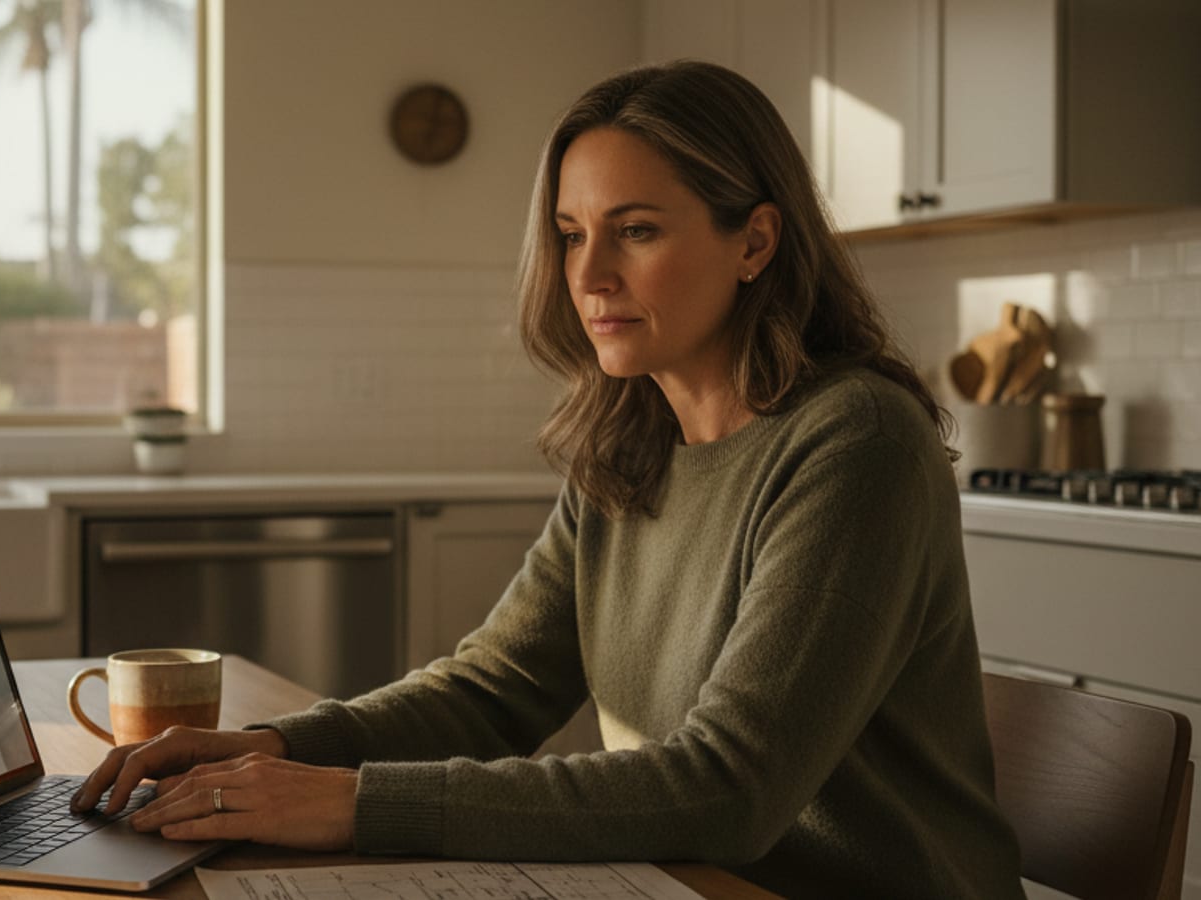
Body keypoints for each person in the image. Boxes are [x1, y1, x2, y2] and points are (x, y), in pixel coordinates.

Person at [72, 61, 1026, 899]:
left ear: (756, 242)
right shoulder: (631, 438)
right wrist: (278, 749)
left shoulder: (855, 442)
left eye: (636, 230)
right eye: (571, 234)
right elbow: (497, 688)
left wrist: (353, 802)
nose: (591, 274)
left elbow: (729, 789)